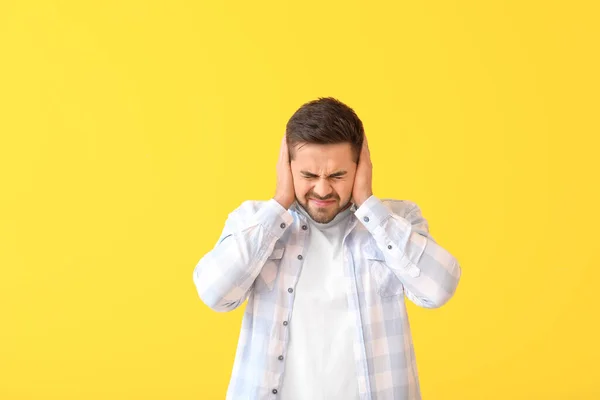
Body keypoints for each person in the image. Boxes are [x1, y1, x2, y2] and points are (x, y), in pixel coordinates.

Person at [193, 97, 461, 400]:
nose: (322, 189)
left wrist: (371, 207)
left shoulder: (397, 221)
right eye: (308, 175)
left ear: (361, 167)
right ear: (287, 166)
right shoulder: (252, 221)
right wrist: (279, 203)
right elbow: (214, 294)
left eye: (337, 176)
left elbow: (439, 289)